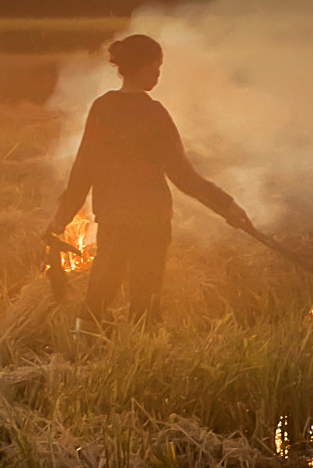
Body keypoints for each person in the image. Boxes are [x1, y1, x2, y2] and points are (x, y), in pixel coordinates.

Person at [46, 33, 255, 332]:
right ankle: (142, 354)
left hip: (114, 220)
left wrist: (59, 220)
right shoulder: (154, 114)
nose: (158, 74)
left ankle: (82, 356)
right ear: (141, 67)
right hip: (151, 223)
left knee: (99, 293)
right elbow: (183, 176)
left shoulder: (102, 108)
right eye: (155, 68)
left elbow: (83, 171)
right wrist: (227, 206)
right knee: (146, 301)